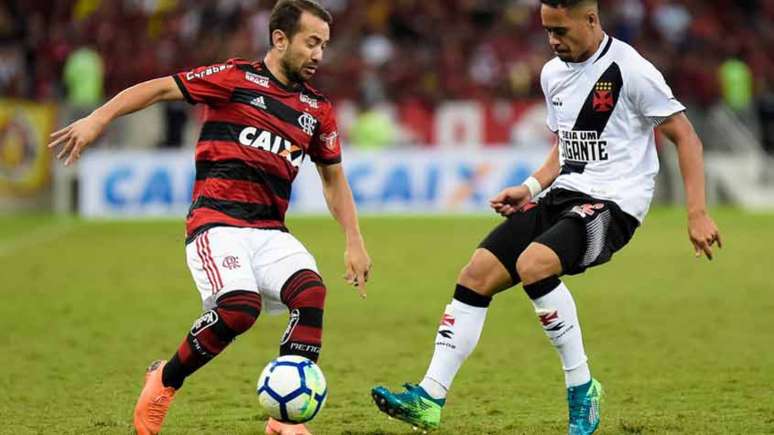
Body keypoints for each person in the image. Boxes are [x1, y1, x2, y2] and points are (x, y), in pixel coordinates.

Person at [370, 1, 721, 434]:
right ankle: (430, 396)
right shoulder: (552, 73)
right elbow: (567, 145)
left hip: (614, 204)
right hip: (563, 195)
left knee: (534, 264)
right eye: (547, 31)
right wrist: (530, 187)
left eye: (561, 29)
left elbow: (685, 137)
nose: (554, 40)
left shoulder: (632, 70)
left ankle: (582, 388)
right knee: (476, 273)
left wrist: (697, 213)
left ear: (591, 20)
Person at [48, 1, 371, 434]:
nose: (319, 55)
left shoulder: (316, 109)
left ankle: (284, 422)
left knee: (311, 294)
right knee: (240, 309)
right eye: (312, 43)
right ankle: (163, 381)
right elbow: (159, 88)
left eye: (324, 46)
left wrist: (354, 239)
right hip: (216, 223)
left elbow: (334, 180)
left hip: (270, 231)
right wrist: (97, 118)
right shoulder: (234, 79)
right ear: (280, 39)